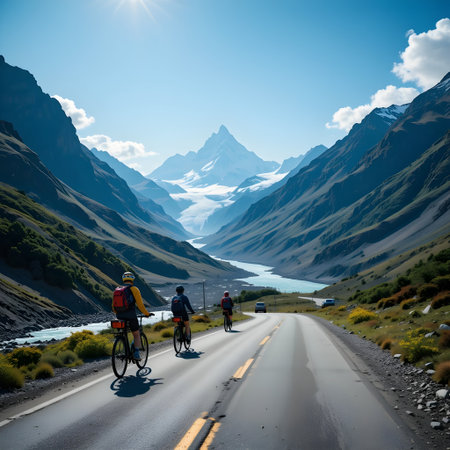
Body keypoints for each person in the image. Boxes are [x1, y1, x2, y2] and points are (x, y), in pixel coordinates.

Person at [113, 271, 153, 360]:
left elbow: (113, 306)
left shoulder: (117, 289)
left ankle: (121, 345)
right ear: (132, 279)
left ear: (124, 279)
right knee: (136, 334)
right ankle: (136, 354)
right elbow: (140, 305)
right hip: (131, 315)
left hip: (119, 316)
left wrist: (119, 313)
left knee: (122, 333)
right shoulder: (134, 289)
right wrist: (147, 313)